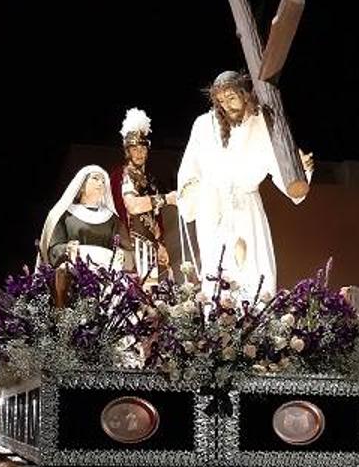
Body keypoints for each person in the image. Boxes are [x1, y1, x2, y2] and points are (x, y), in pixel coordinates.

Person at [177, 70, 313, 299]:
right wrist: (192, 195)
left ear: (245, 94)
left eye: (231, 98)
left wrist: (301, 170)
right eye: (221, 101)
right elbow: (190, 168)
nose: (226, 105)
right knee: (217, 274)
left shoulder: (263, 125)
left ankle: (257, 327)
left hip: (247, 207)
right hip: (213, 210)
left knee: (255, 270)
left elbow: (280, 169)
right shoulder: (203, 125)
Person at [116, 107, 178, 282]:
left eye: (142, 149)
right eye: (134, 149)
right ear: (127, 151)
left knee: (153, 295)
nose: (139, 153)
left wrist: (160, 245)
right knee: (137, 294)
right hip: (131, 244)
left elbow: (153, 217)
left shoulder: (150, 181)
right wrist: (167, 199)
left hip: (150, 245)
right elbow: (133, 205)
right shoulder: (124, 175)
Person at [39, 165, 132, 271]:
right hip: (72, 275)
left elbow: (128, 251)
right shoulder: (65, 215)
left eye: (103, 181)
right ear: (82, 185)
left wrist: (122, 255)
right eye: (95, 178)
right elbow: (53, 250)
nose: (101, 183)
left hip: (105, 275)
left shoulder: (112, 219)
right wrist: (67, 249)